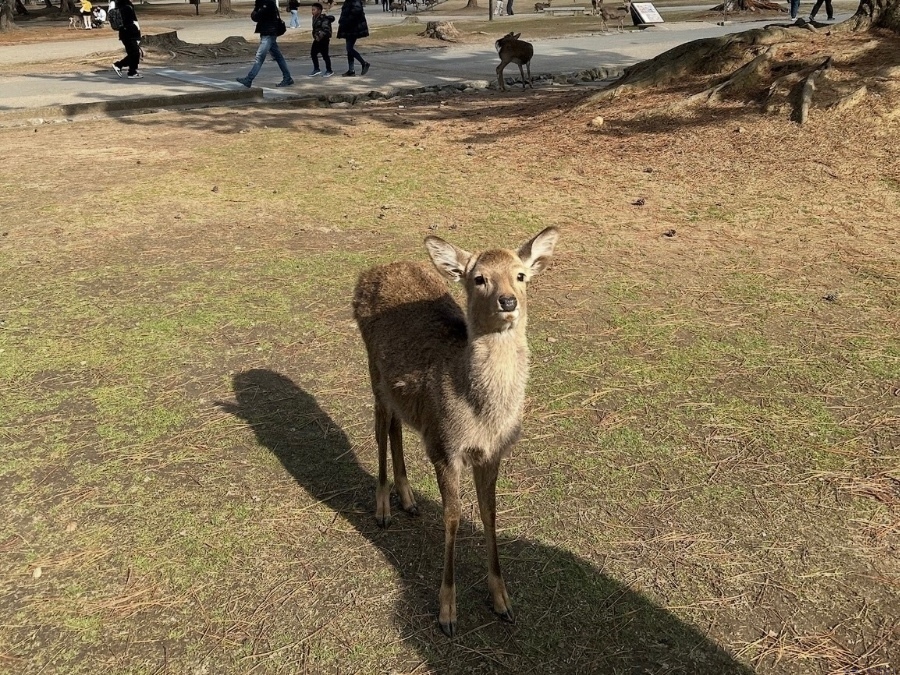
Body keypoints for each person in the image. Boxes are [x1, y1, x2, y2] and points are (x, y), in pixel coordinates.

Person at [236, 0, 294, 88]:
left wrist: (257, 12)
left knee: (259, 57)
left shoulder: (268, 3)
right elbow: (254, 16)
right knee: (278, 57)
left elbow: (257, 16)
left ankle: (249, 79)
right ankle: (288, 77)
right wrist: (256, 10)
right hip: (266, 32)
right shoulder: (261, 3)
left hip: (269, 33)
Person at [337, 0, 370, 77]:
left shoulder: (355, 2)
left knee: (349, 48)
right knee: (349, 49)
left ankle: (364, 63)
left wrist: (346, 21)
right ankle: (351, 70)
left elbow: (356, 13)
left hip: (354, 28)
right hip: (349, 28)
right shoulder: (348, 1)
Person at [111, 0, 142, 79]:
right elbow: (132, 21)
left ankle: (130, 70)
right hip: (130, 33)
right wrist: (137, 33)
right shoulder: (127, 7)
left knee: (133, 53)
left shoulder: (120, 6)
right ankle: (124, 67)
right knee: (135, 53)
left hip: (124, 33)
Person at [309, 3, 335, 77]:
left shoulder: (324, 19)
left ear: (319, 11)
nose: (312, 12)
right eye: (312, 10)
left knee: (325, 55)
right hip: (317, 39)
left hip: (324, 40)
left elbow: (326, 30)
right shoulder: (314, 18)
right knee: (313, 53)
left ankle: (329, 70)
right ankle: (316, 69)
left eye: (314, 10)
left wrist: (320, 35)